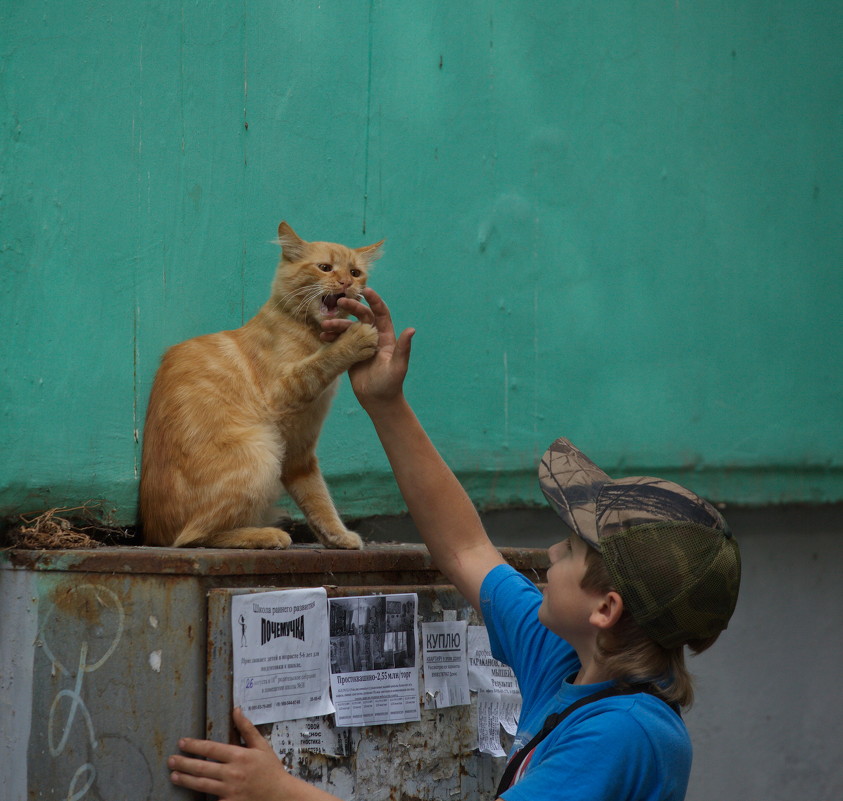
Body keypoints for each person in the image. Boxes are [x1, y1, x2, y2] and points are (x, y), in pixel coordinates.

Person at [167, 288, 741, 801]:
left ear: (606, 608)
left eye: (571, 550)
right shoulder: (570, 665)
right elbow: (465, 546)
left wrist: (279, 793)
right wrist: (386, 403)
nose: (549, 556)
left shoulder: (624, 734)